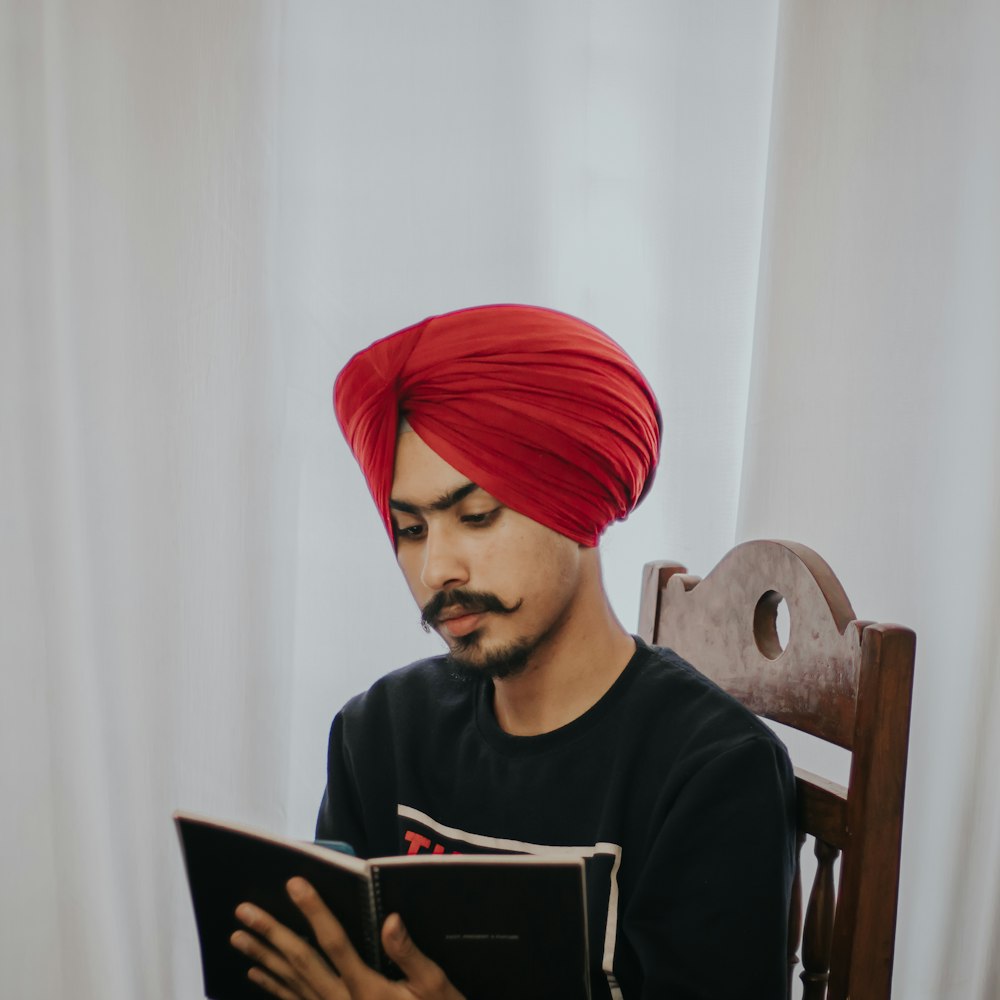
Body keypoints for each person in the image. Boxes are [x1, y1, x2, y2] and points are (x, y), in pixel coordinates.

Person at [230, 304, 797, 1000]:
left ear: (577, 506)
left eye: (476, 517)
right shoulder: (378, 730)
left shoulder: (715, 772)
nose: (437, 569)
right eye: (409, 528)